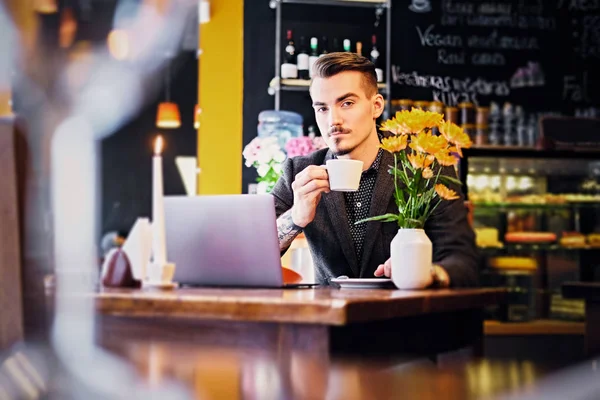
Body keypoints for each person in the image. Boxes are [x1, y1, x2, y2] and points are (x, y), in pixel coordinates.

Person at [270, 52, 478, 287]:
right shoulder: (299, 172)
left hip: (401, 316)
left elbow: (463, 260)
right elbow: (252, 251)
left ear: (376, 106)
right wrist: (295, 217)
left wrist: (426, 272)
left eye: (346, 103)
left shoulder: (425, 165)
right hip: (330, 318)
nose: (333, 120)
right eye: (322, 109)